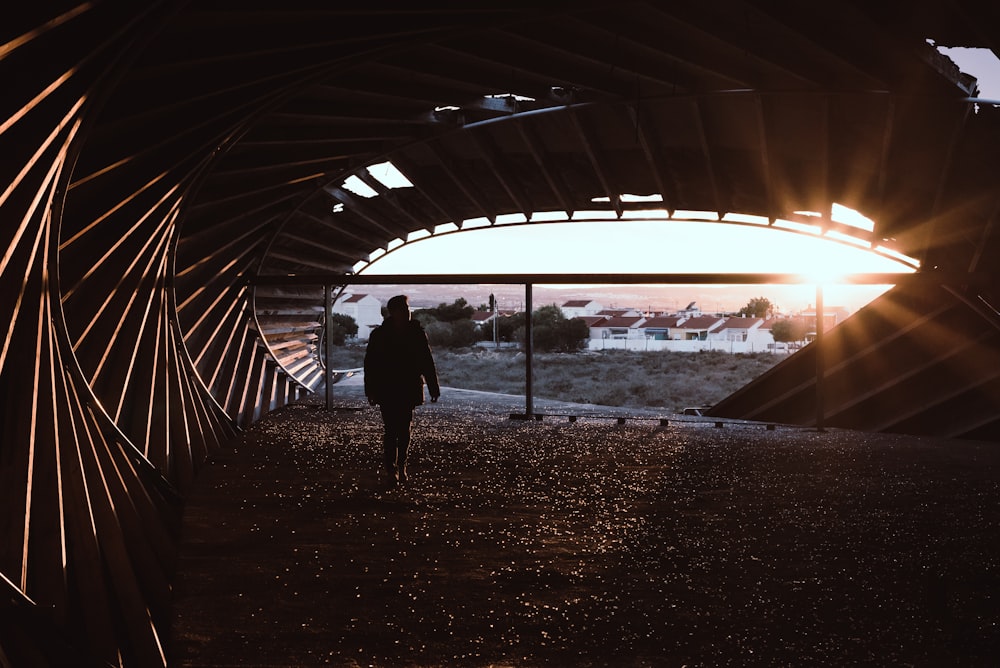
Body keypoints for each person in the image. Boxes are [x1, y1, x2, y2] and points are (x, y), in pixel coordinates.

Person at [364, 295, 440, 485]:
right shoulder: (414, 334)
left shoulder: (381, 335)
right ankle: (396, 468)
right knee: (397, 430)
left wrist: (433, 386)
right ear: (395, 312)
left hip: (391, 388)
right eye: (405, 308)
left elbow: (370, 364)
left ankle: (395, 468)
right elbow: (426, 362)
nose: (408, 312)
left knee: (399, 430)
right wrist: (432, 387)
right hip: (399, 388)